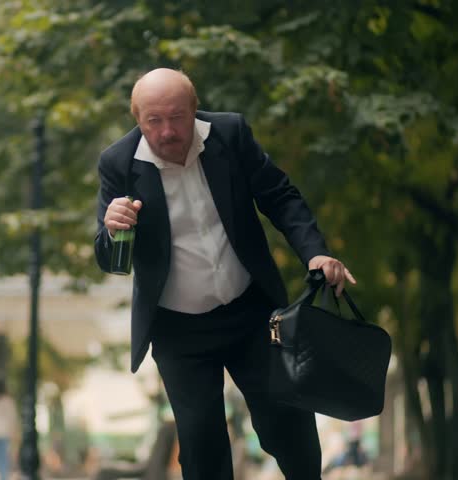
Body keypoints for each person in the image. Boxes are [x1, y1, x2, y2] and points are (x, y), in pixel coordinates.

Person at [94, 68, 356, 480]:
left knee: (286, 424)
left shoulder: (230, 135)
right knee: (200, 444)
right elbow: (111, 262)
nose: (166, 131)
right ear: (138, 120)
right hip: (178, 331)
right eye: (153, 121)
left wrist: (316, 254)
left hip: (251, 313)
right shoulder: (119, 164)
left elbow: (279, 196)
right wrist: (111, 230)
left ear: (195, 110)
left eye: (176, 117)